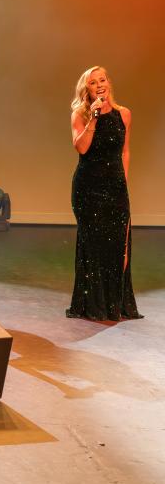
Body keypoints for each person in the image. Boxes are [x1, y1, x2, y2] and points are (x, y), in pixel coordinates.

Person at [66, 66, 142, 321]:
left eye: (102, 80)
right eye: (92, 83)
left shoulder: (124, 114)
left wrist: (123, 181)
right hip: (88, 189)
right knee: (94, 245)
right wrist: (94, 117)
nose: (99, 85)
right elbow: (82, 148)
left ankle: (115, 304)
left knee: (119, 246)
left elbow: (125, 151)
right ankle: (93, 304)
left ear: (109, 82)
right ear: (86, 89)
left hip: (116, 188)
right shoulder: (81, 114)